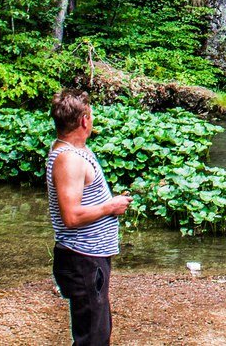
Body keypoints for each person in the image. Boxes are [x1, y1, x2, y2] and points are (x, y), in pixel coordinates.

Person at [46, 89, 132, 345]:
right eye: (91, 116)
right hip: (82, 257)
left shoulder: (71, 150)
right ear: (84, 120)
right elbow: (71, 216)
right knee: (93, 336)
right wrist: (110, 207)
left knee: (97, 329)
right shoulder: (69, 159)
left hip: (89, 256)